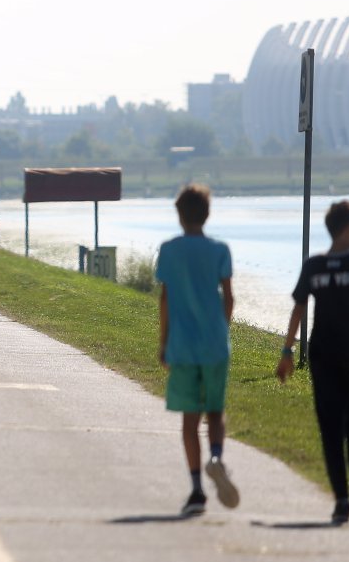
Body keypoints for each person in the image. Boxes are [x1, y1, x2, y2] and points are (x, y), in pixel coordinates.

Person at [277, 200, 349, 524]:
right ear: (345, 229)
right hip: (323, 355)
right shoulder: (314, 266)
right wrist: (286, 353)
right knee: (330, 426)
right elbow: (298, 309)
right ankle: (341, 498)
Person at [155, 184, 239, 517]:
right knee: (215, 412)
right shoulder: (220, 249)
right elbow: (229, 298)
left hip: (183, 345)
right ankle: (216, 457)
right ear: (207, 214)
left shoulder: (169, 250)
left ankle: (196, 490)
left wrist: (164, 342)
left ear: (179, 215)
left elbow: (165, 300)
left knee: (191, 420)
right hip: (214, 343)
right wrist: (222, 329)